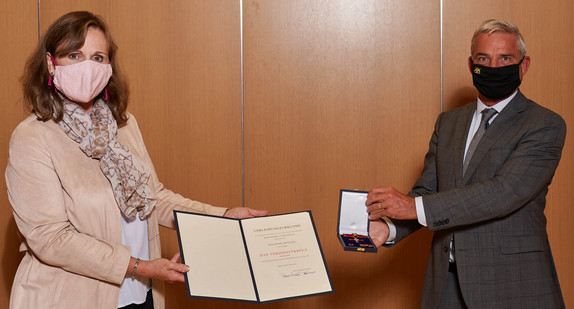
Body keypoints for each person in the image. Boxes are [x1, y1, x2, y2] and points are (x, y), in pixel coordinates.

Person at [5, 11, 267, 309]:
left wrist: (223, 216)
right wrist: (140, 266)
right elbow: (50, 238)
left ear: (109, 66)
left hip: (139, 295)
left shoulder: (124, 124)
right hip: (70, 298)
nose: (87, 67)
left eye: (98, 57)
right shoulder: (33, 137)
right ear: (51, 63)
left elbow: (153, 198)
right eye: (74, 55)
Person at [365, 19, 565, 308]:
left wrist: (411, 207)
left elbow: (504, 192)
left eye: (505, 58)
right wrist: (390, 228)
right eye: (484, 58)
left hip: (513, 285)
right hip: (445, 285)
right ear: (472, 65)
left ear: (524, 65)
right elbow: (428, 190)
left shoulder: (544, 125)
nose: (494, 66)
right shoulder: (449, 123)